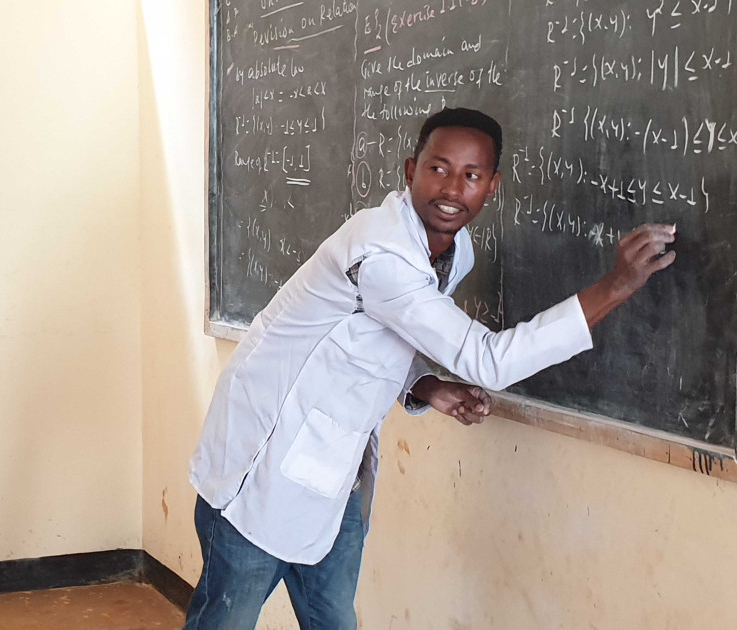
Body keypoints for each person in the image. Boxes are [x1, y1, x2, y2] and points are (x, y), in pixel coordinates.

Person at [183, 108, 676, 629]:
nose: (452, 189)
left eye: (471, 175)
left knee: (333, 620)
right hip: (259, 467)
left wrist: (426, 384)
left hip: (334, 471)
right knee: (225, 621)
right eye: (438, 169)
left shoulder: (452, 250)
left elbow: (373, 336)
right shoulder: (383, 252)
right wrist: (614, 287)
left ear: (492, 186)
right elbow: (488, 360)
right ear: (410, 170)